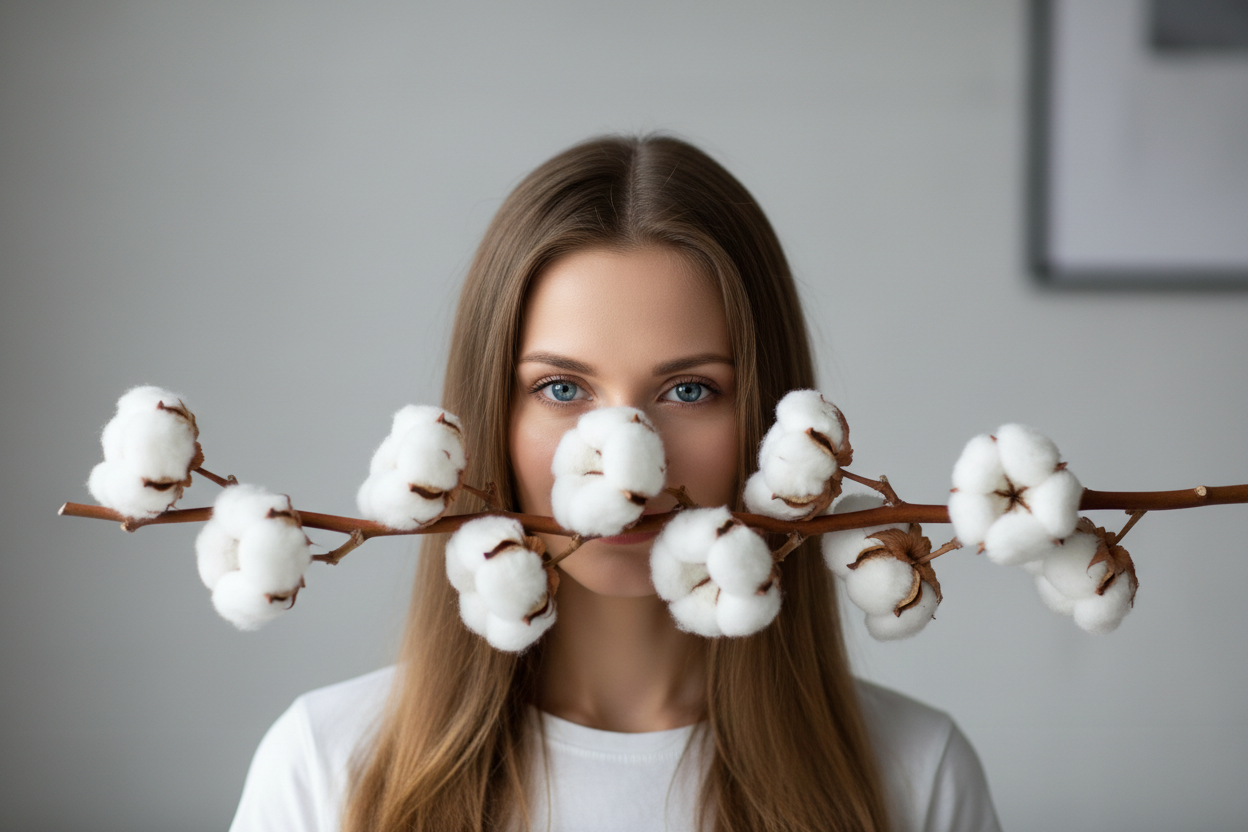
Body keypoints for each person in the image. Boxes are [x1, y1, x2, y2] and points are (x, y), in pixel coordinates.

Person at [230, 135, 1001, 832]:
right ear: (486, 416)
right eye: (563, 390)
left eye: (690, 391)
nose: (631, 467)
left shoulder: (914, 778)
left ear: (773, 425)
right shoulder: (325, 771)